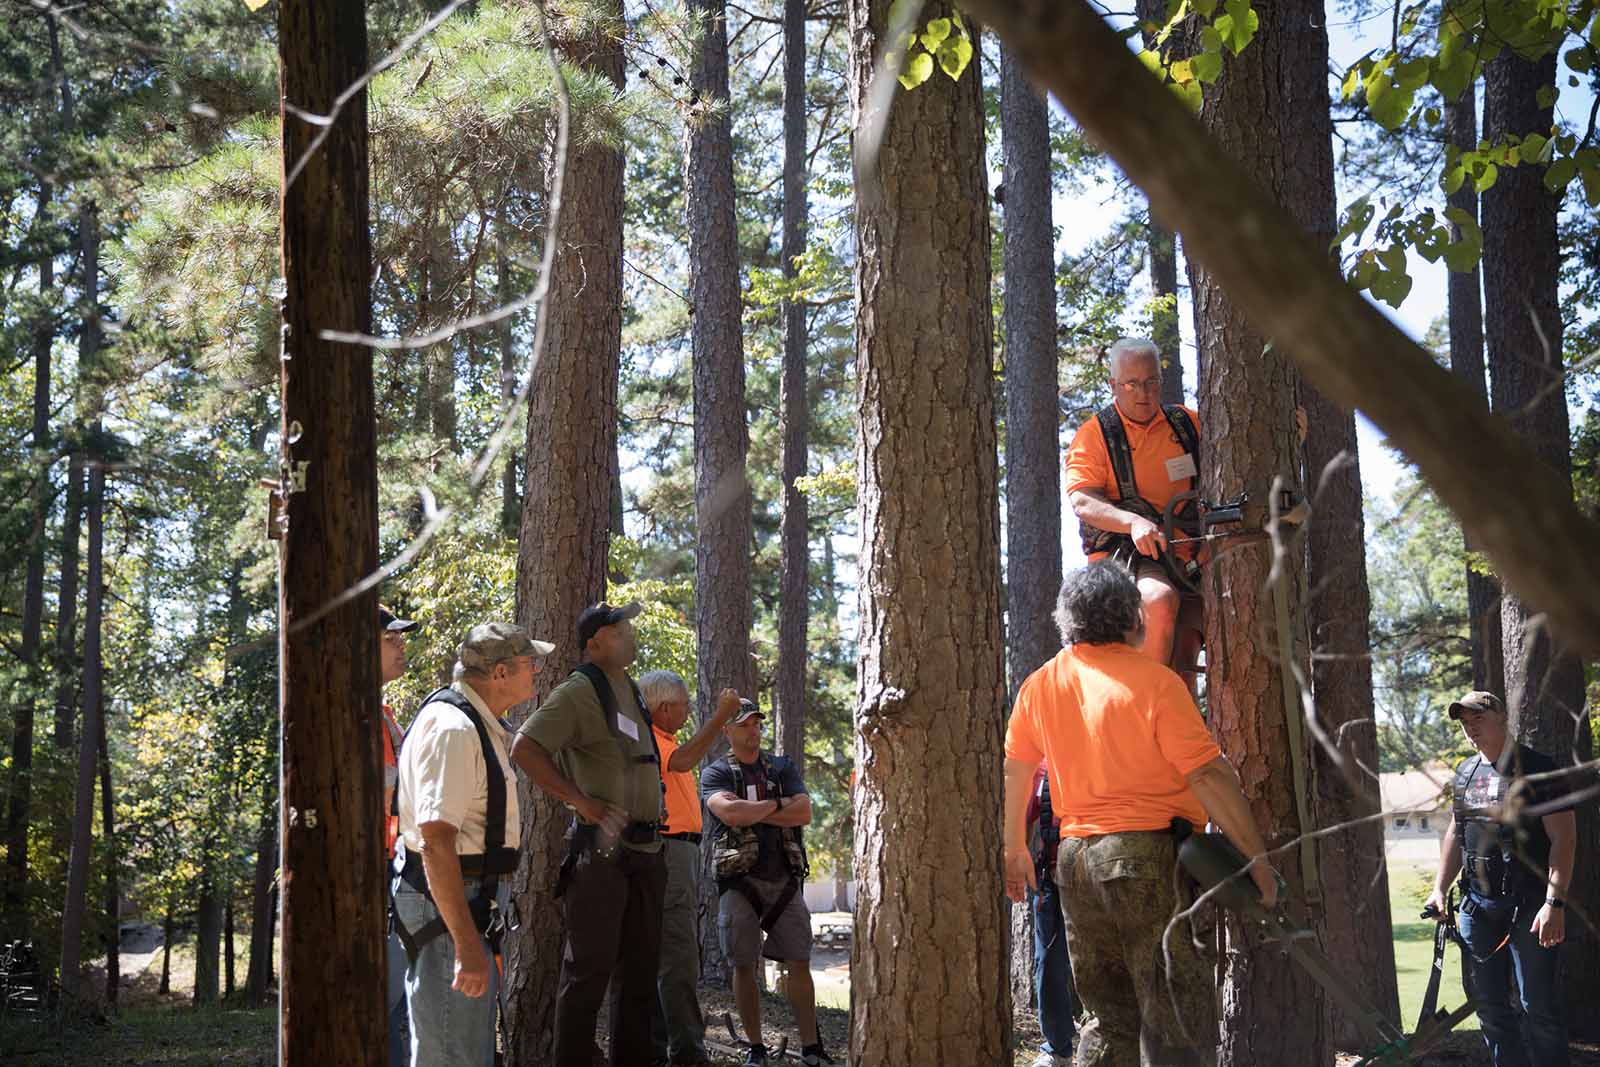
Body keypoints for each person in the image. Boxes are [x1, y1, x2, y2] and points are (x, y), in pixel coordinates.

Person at [1003, 562, 1278, 1066]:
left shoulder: (1041, 684)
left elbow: (1017, 769)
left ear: (1068, 620)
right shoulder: (1156, 683)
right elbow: (1208, 776)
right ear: (1133, 619)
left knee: (1112, 1023)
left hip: (1075, 862)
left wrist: (1014, 849)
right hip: (1145, 858)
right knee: (1176, 1017)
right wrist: (1256, 859)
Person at [510, 601, 666, 1067]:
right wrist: (581, 802)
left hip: (648, 850)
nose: (632, 635)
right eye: (622, 630)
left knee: (640, 978)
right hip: (602, 856)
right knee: (587, 975)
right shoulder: (580, 690)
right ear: (595, 643)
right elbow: (526, 747)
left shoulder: (632, 690)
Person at [393, 621, 553, 1067]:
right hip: (451, 907)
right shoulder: (454, 729)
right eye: (528, 664)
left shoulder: (476, 724)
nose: (535, 672)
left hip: (467, 904)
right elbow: (436, 841)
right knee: (452, 1053)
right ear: (500, 672)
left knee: (466, 1048)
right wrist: (465, 945)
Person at [1424, 690, 1579, 1067]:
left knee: (1537, 1007)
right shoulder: (1465, 773)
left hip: (1530, 909)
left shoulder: (1540, 769)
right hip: (1477, 908)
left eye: (1478, 719)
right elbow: (1455, 835)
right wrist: (1439, 888)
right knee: (1490, 1008)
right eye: (1464, 723)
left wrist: (1553, 903)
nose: (1470, 729)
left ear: (1503, 718)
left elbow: (1565, 839)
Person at [702, 699, 831, 1067]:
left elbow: (804, 811)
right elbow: (729, 813)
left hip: (784, 881)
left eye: (757, 723)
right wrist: (779, 806)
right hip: (738, 882)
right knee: (743, 964)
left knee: (800, 960)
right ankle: (756, 1049)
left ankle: (811, 1049)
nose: (753, 730)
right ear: (727, 731)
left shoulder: (780, 767)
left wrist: (756, 810)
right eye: (744, 725)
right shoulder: (715, 774)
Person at [1064, 337, 1201, 673]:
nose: (1144, 393)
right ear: (1114, 385)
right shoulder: (1095, 434)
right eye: (1132, 384)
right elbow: (1082, 499)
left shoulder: (1185, 423)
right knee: (1157, 601)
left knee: (1189, 647)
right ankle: (1143, 706)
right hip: (1130, 558)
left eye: (1152, 382)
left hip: (1194, 555)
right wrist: (1132, 522)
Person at [638, 671, 743, 1067]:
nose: (686, 712)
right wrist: (719, 718)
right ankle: (687, 1053)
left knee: (675, 952)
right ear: (664, 708)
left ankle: (666, 1045)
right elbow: (683, 761)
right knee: (678, 955)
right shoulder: (652, 740)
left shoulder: (663, 739)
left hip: (679, 852)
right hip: (669, 851)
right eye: (683, 705)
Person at [379, 605, 419, 1067]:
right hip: (365, 881)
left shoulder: (385, 717)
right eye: (391, 639)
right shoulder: (349, 716)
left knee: (393, 1004)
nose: (401, 646)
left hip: (393, 873)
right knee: (381, 1006)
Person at [1025, 762, 1076, 1067]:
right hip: (1053, 880)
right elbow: (1023, 814)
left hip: (1105, 879)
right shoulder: (1040, 768)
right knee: (1049, 964)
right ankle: (1057, 1050)